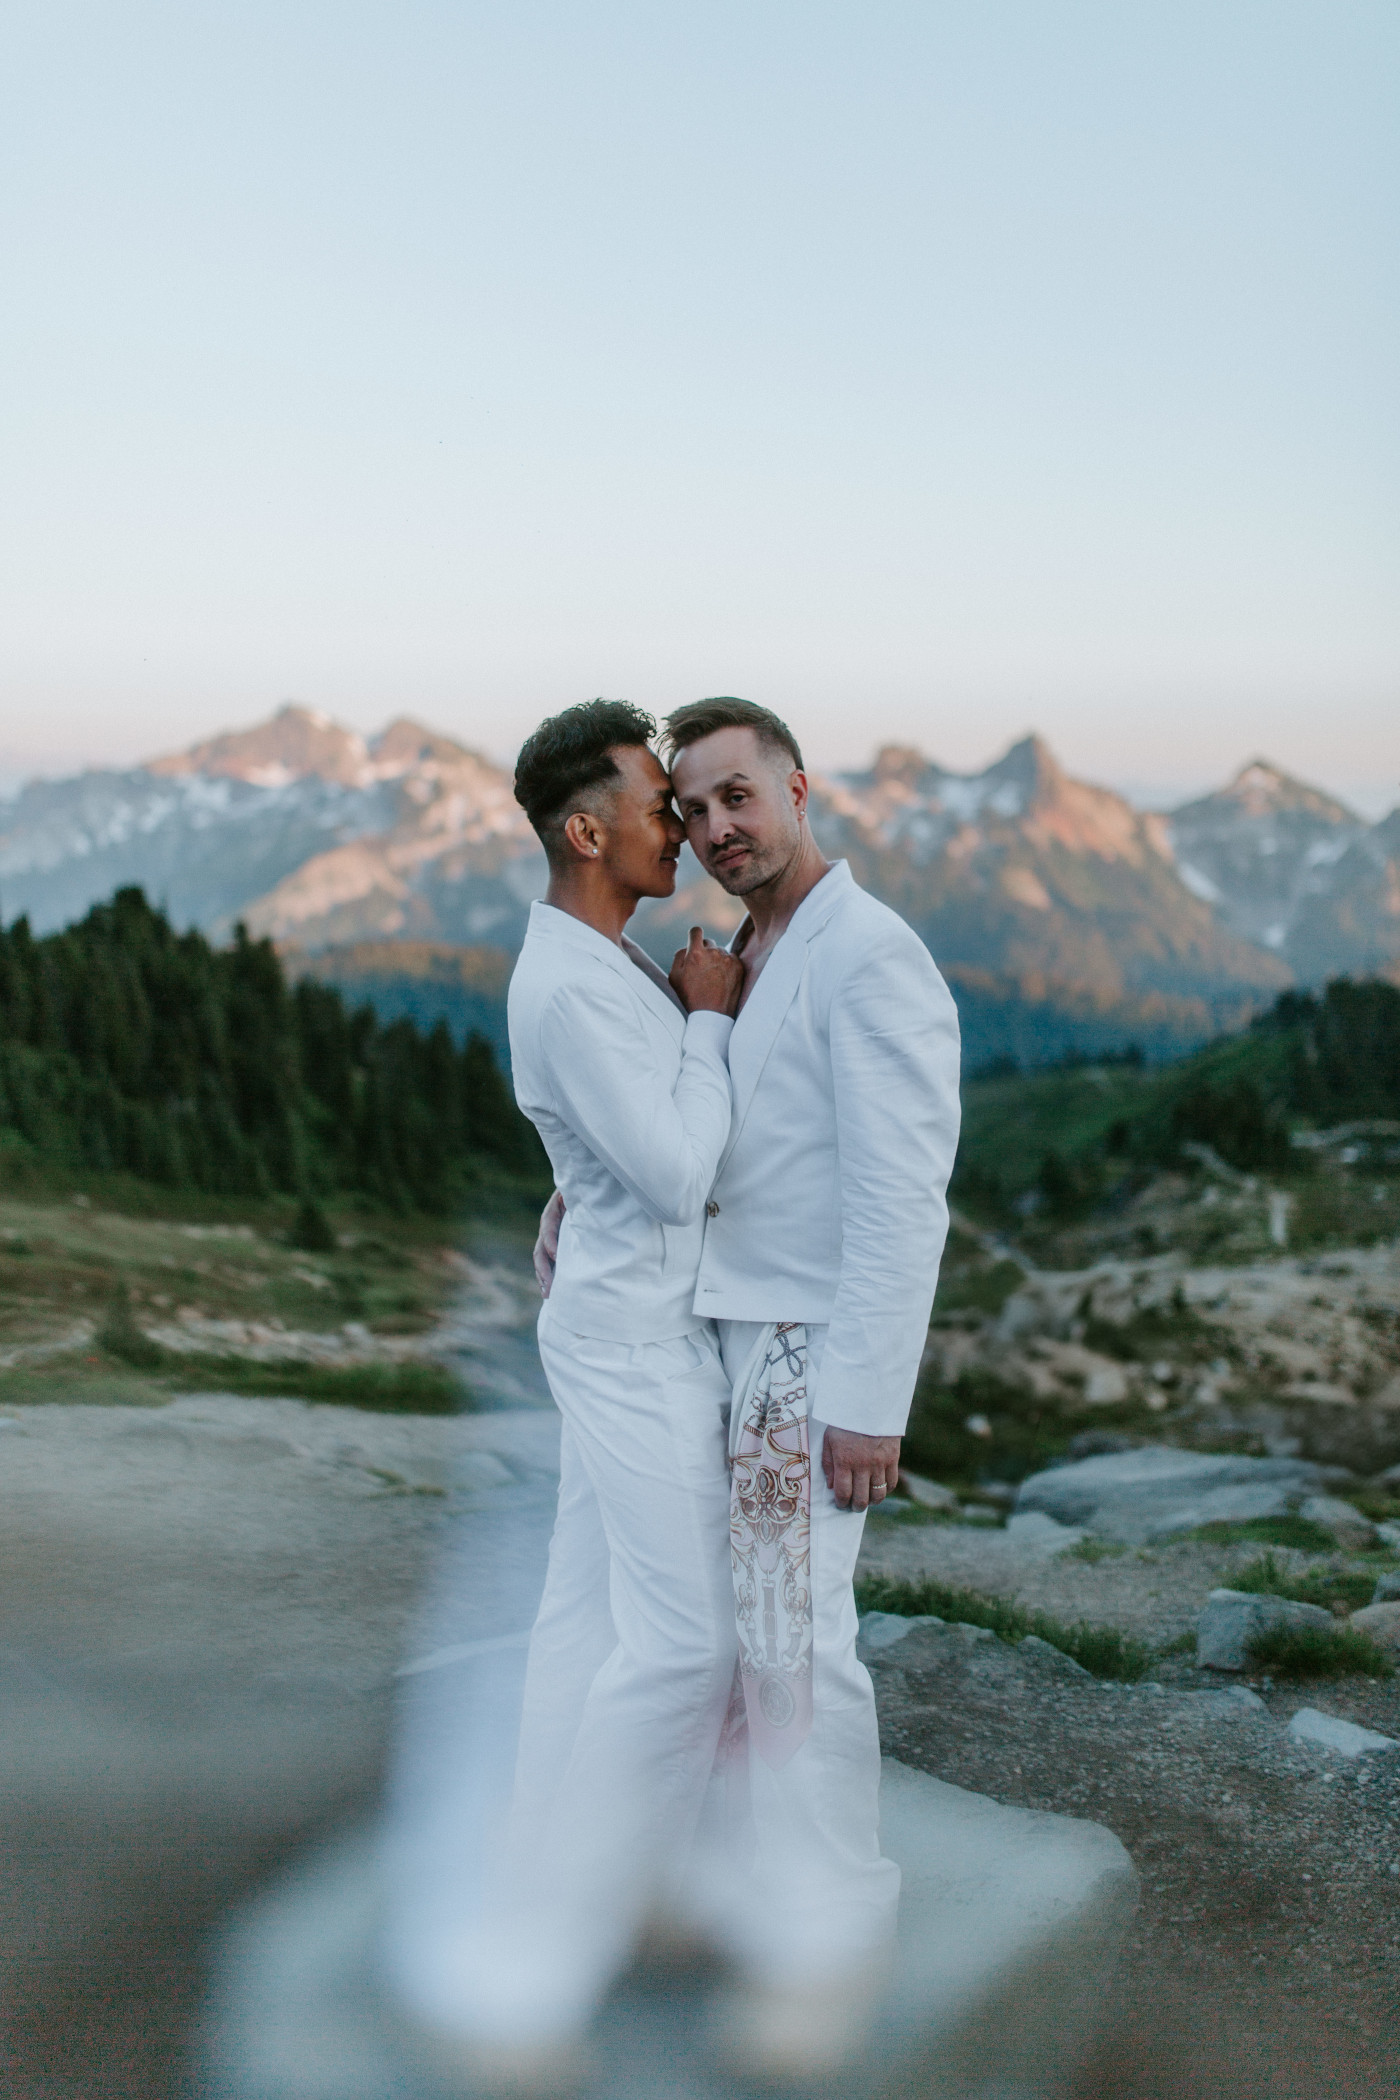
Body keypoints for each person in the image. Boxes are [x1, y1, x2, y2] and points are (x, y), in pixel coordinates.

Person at [536, 695, 961, 2070]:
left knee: (793, 1645)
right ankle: (719, 1890)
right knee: (711, 1646)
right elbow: (680, 1135)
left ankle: (832, 1935)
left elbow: (907, 1199)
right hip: (703, 1337)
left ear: (797, 788)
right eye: (695, 805)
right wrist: (569, 1205)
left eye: (737, 797)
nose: (716, 828)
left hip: (801, 1350)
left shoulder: (873, 957)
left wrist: (870, 1404)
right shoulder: (736, 951)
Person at [445, 699, 746, 2078]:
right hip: (633, 1350)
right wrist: (708, 1019)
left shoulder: (592, 955)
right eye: (654, 803)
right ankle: (564, 1925)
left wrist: (576, 1189)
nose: (676, 824)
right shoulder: (577, 983)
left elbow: (612, 1153)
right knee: (683, 1643)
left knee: (582, 1625)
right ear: (584, 830)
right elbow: (680, 1167)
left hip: (621, 1323)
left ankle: (534, 1879)